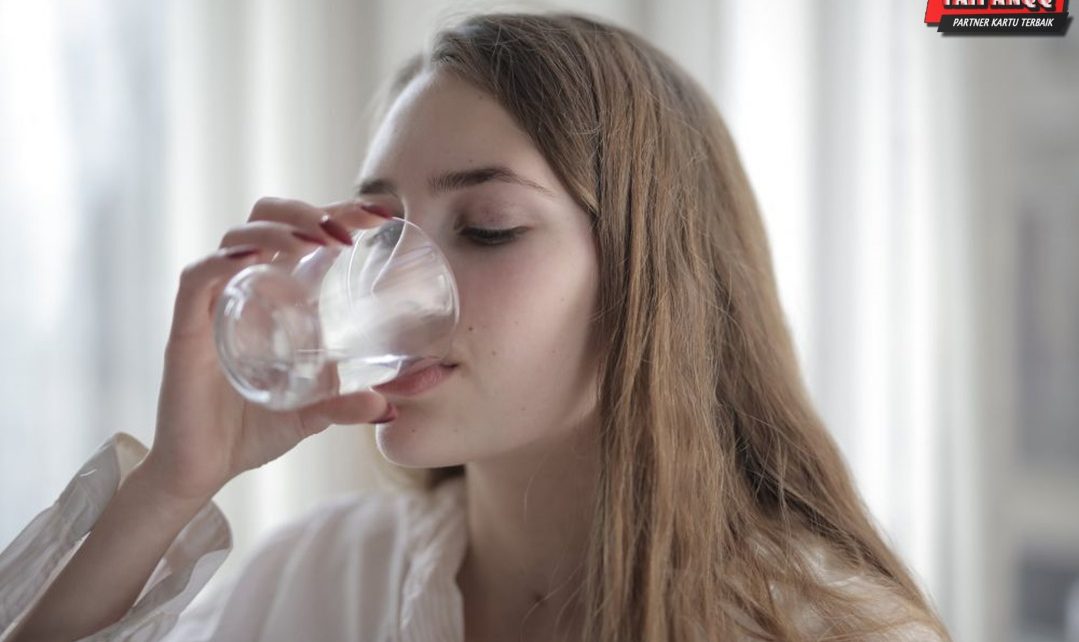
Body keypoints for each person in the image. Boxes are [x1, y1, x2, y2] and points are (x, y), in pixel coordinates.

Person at [0, 11, 951, 642]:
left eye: (487, 228)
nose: (396, 288)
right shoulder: (322, 579)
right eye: (379, 232)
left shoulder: (824, 629)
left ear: (652, 282)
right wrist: (171, 483)